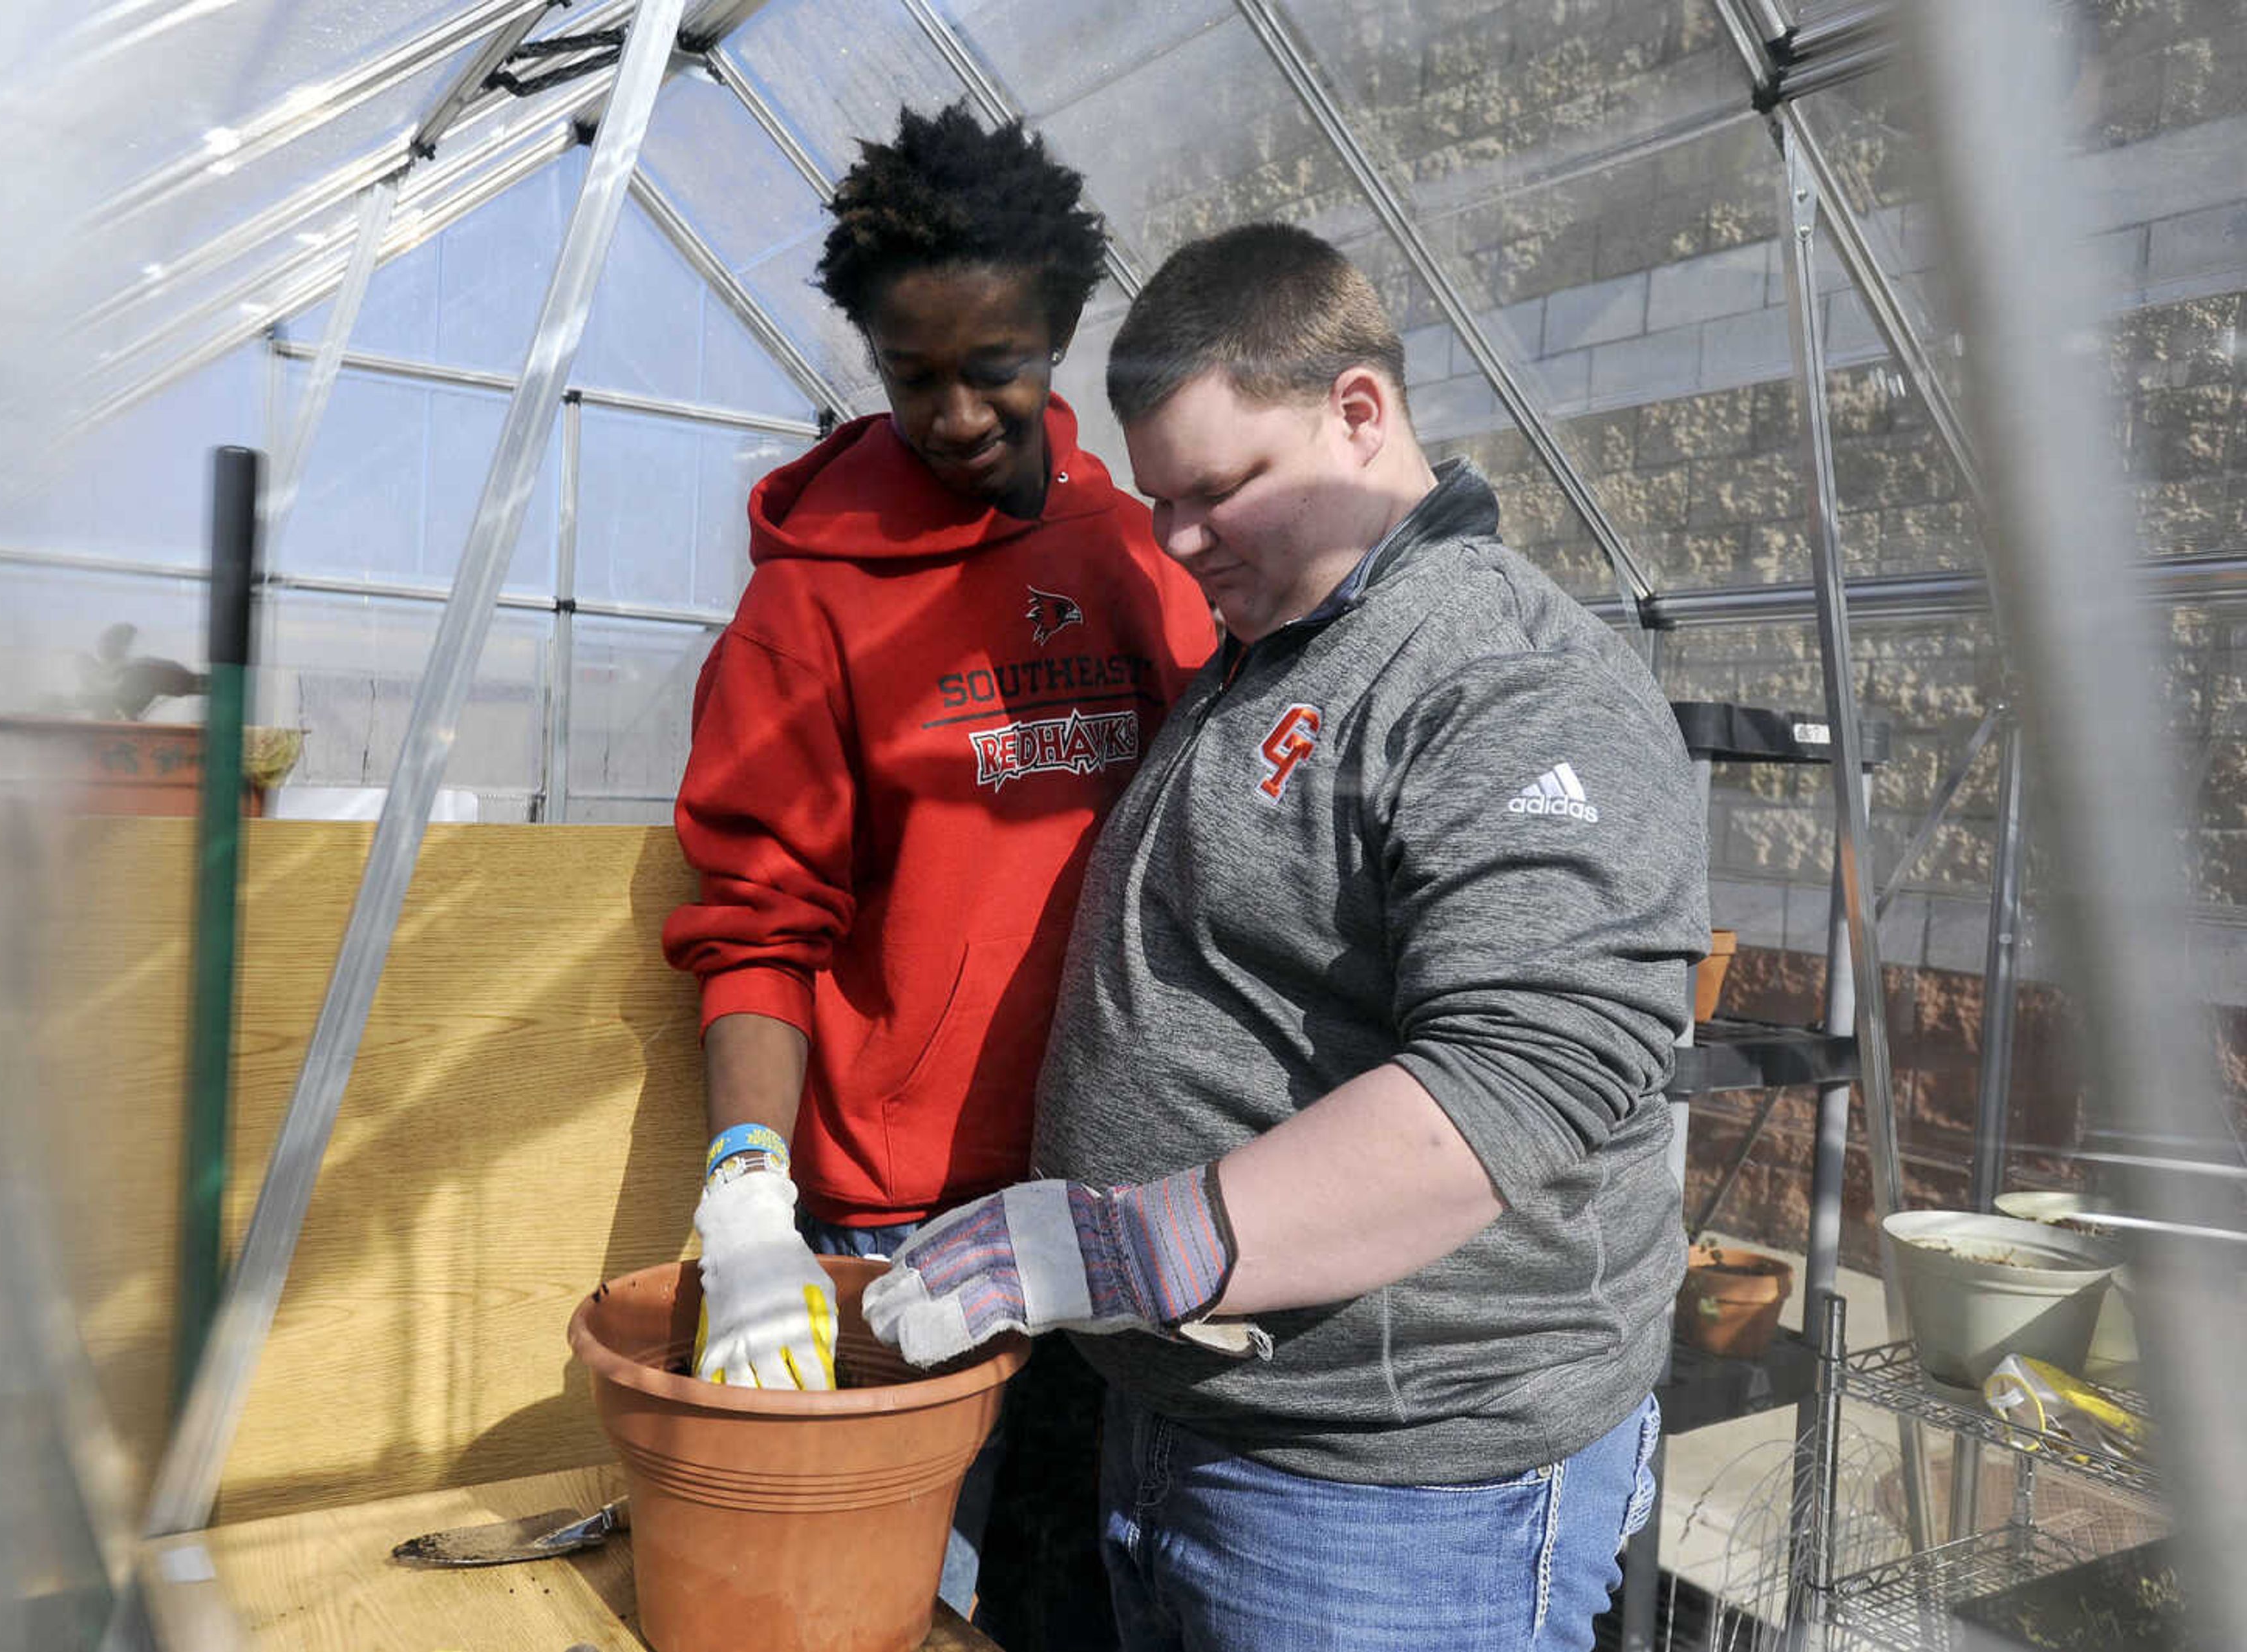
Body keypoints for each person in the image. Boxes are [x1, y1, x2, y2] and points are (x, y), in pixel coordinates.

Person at [863, 221, 1710, 1652]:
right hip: (1196, 1426)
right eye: (1157, 501)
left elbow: (1517, 1085)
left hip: (1392, 1498)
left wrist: (1126, 1252)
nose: (1174, 541)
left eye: (1217, 490)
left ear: (1359, 414)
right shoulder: (1278, 649)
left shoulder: (1500, 677)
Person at [659, 105, 1217, 1642]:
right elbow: (756, 915)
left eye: (1000, 366)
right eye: (914, 375)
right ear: (869, 355)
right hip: (901, 1218)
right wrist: (749, 1189)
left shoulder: (1149, 559)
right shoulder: (808, 609)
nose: (960, 411)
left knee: (1073, 1592)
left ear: (1064, 337)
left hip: (1118, 1193)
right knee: (890, 1601)